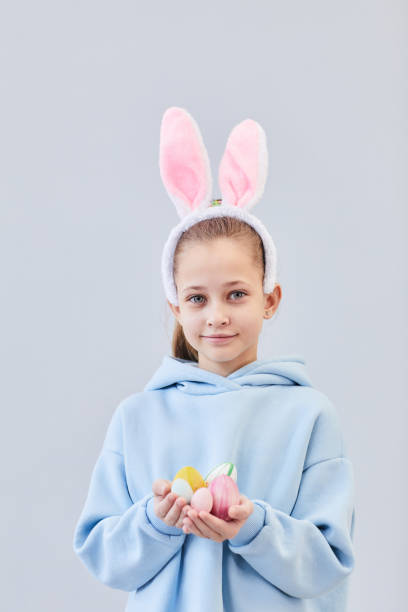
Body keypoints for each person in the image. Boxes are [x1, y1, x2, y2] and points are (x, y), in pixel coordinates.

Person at [72, 107, 356, 611]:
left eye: (237, 294)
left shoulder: (309, 415)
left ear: (270, 299)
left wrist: (254, 525)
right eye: (198, 299)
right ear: (176, 307)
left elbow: (328, 562)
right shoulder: (138, 417)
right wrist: (155, 522)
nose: (217, 316)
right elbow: (103, 556)